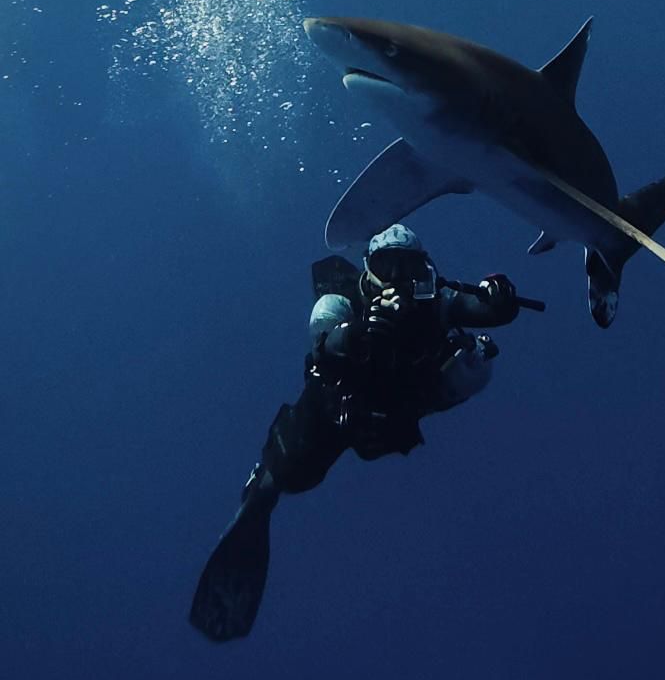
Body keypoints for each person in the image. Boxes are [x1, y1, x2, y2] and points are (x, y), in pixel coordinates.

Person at [190, 224, 522, 642]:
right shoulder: (342, 301)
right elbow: (323, 343)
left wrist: (500, 298)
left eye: (408, 265)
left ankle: (275, 482)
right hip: (338, 411)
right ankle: (263, 488)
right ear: (369, 269)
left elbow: (485, 310)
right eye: (389, 265)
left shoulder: (434, 302)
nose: (399, 276)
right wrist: (363, 333)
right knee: (294, 472)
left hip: (393, 414)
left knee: (475, 365)